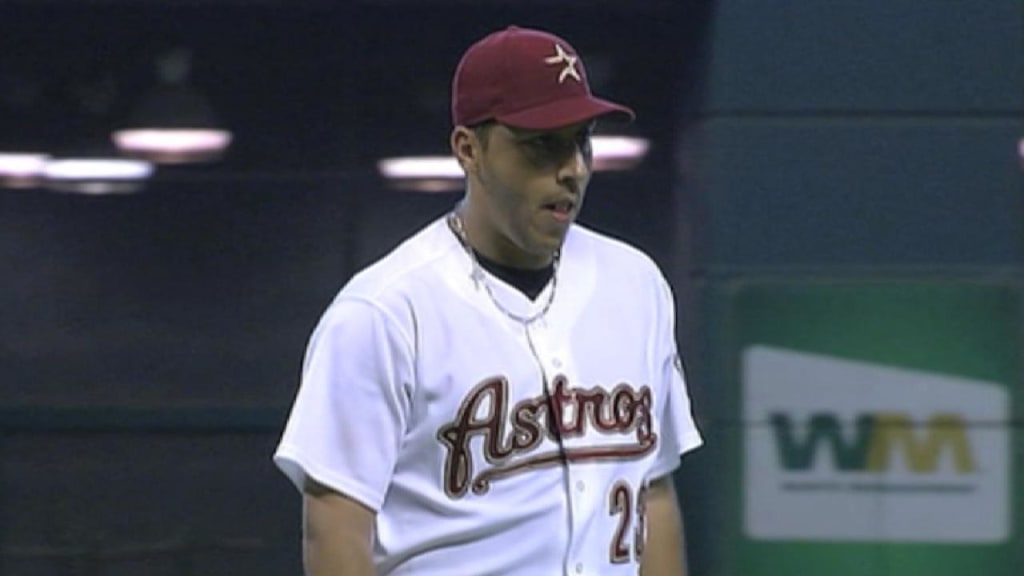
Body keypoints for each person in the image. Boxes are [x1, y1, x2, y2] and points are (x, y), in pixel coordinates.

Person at [273, 25, 703, 576]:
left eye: (581, 139)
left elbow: (653, 490)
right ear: (468, 150)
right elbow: (334, 528)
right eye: (541, 143)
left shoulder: (636, 284)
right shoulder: (386, 313)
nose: (571, 167)